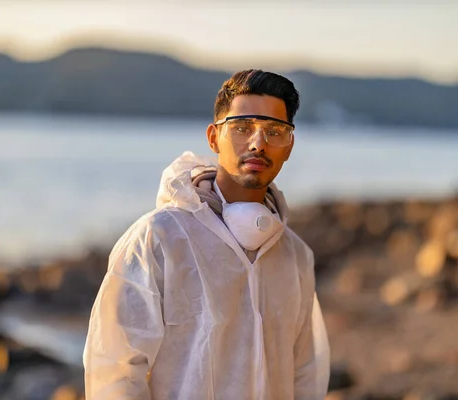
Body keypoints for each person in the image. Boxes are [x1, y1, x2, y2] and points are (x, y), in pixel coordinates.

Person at [83, 69, 330, 399]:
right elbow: (114, 370)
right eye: (243, 128)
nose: (258, 143)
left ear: (289, 145)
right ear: (214, 137)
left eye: (274, 131)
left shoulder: (296, 257)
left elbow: (305, 373)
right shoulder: (159, 238)